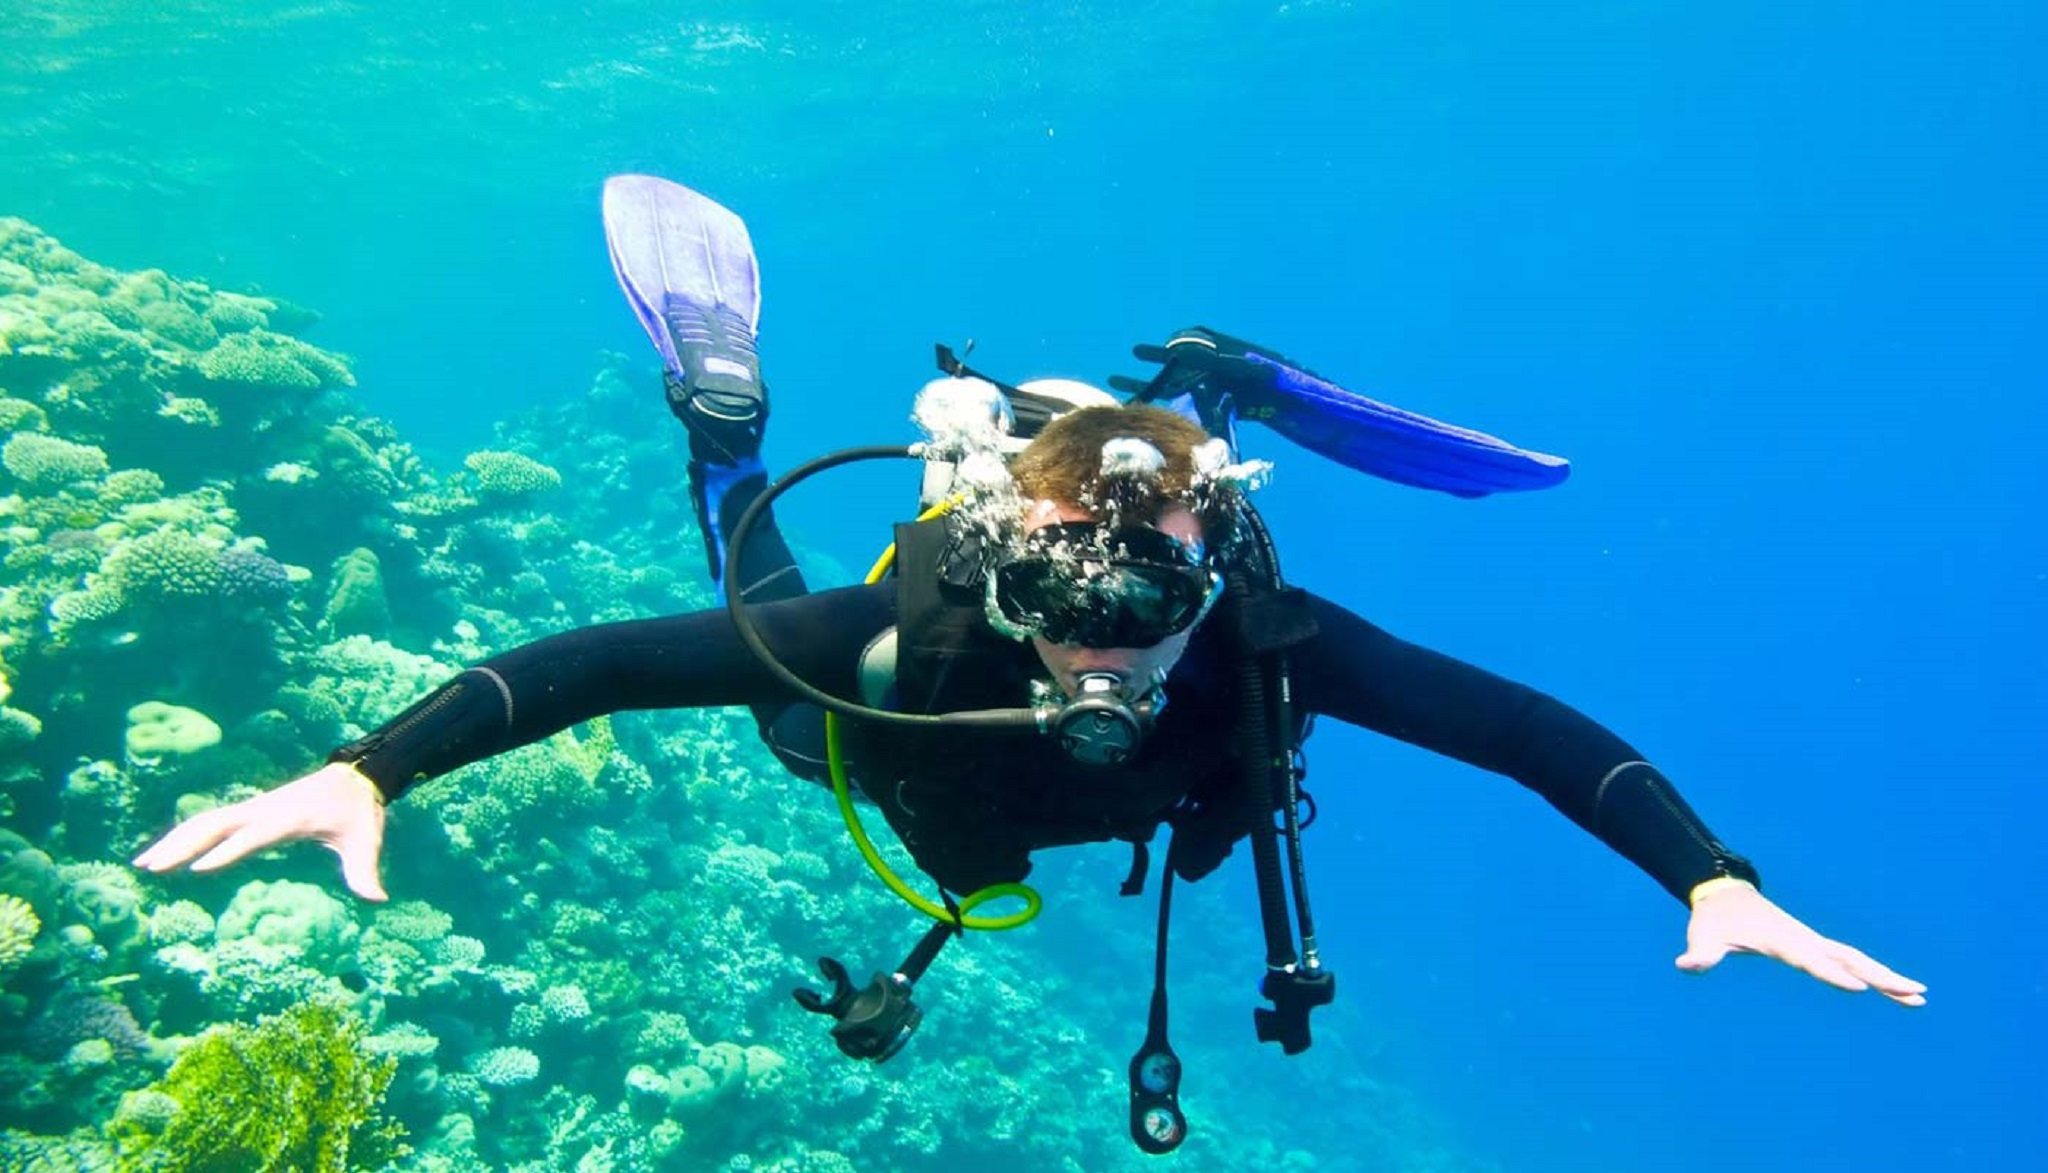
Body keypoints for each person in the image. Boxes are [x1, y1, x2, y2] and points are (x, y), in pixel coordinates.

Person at [133, 175, 1924, 1147]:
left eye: (1148, 632)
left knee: (1146, 493)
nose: (1110, 672)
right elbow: (598, 664)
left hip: (1084, 642)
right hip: (903, 733)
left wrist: (1714, 877)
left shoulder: (1262, 642)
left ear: (1203, 593)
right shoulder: (904, 627)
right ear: (1003, 572)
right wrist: (371, 764)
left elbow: (1529, 732)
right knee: (754, 598)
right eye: (1077, 625)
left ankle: (1195, 402)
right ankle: (727, 424)